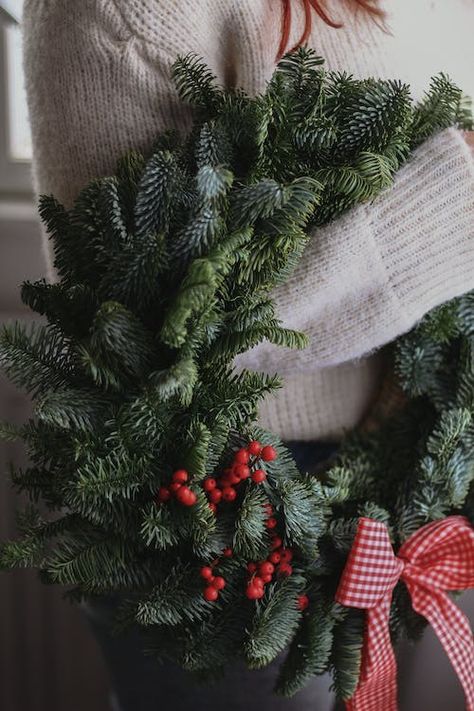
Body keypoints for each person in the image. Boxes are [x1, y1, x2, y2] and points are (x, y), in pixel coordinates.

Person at [21, 1, 474, 709]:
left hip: (363, 491)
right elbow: (151, 342)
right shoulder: (115, 13)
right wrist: (452, 205)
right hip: (224, 515)